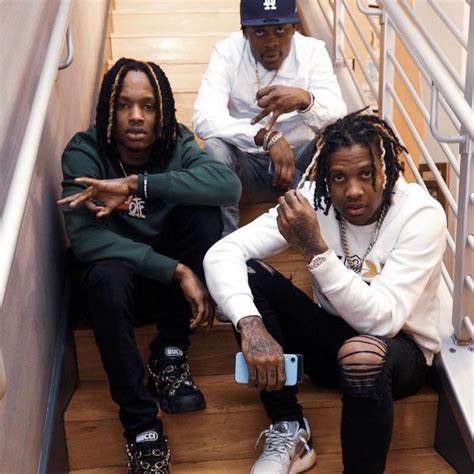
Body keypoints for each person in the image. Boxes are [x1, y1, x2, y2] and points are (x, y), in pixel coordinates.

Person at [203, 111, 447, 474]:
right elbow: (221, 253)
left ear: (386, 168)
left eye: (366, 173)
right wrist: (250, 324)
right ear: (323, 178)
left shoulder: (420, 214)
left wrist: (316, 250)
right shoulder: (314, 201)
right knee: (251, 274)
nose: (353, 190)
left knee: (362, 351)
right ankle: (289, 426)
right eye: (339, 177)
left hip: (399, 354)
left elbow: (383, 320)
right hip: (330, 343)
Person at [58, 58, 241, 474]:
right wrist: (178, 270)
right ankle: (142, 430)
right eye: (124, 105)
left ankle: (170, 355)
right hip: (120, 293)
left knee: (203, 217)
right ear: (109, 108)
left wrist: (136, 185)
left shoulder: (174, 143)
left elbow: (227, 184)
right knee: (104, 274)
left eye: (148, 106)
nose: (137, 117)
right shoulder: (84, 151)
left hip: (165, 297)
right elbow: (87, 240)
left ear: (163, 112)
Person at [193, 0, 346, 236]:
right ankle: (225, 243)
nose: (272, 41)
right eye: (260, 31)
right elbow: (204, 118)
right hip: (248, 166)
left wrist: (307, 101)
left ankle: (335, 242)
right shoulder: (227, 53)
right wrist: (265, 137)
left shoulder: (312, 51)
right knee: (215, 146)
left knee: (341, 137)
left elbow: (339, 115)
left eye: (281, 29)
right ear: (244, 31)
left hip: (302, 165)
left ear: (294, 28)